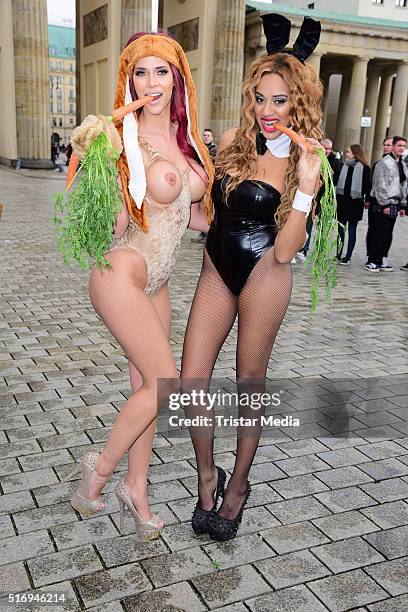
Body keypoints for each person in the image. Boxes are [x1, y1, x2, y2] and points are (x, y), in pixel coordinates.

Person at [65, 31, 213, 540]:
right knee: (164, 385)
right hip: (123, 270)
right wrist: (97, 167)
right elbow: (111, 225)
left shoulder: (187, 143)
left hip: (159, 280)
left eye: (161, 71)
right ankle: (97, 470)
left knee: (146, 389)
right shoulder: (121, 138)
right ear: (129, 80)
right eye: (140, 73)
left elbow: (193, 218)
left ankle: (137, 488)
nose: (151, 83)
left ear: (178, 79)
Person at [181, 13, 323, 541]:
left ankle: (237, 484)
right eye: (261, 98)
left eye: (280, 100)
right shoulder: (238, 141)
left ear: (299, 103)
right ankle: (206, 473)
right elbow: (209, 216)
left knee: (247, 385)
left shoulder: (308, 161)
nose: (267, 111)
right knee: (191, 379)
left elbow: (288, 249)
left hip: (267, 269)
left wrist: (306, 188)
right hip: (216, 266)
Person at [366, 136, 407, 272]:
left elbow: (404, 186)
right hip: (382, 204)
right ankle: (372, 259)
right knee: (378, 232)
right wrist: (384, 205)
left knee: (388, 233)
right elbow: (380, 184)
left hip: (395, 203)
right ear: (393, 147)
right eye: (399, 146)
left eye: (404, 146)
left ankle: (383, 257)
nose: (401, 148)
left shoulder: (403, 165)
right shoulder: (384, 163)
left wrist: (403, 205)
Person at [301, 137, 342, 260]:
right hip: (313, 196)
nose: (328, 151)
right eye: (326, 148)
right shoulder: (312, 157)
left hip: (325, 197)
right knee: (308, 223)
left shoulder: (335, 161)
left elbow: (336, 179)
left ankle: (320, 250)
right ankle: (304, 249)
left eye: (330, 148)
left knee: (323, 225)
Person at [335, 144, 370, 265]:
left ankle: (348, 256)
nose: (346, 153)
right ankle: (338, 254)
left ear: (355, 153)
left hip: (355, 204)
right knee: (340, 230)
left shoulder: (364, 168)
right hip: (342, 203)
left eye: (348, 152)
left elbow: (367, 187)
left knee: (352, 230)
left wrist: (367, 200)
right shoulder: (343, 165)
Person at [365, 136, 393, 263]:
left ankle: (383, 255)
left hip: (391, 203)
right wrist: (368, 199)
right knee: (374, 229)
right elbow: (372, 183)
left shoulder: (397, 164)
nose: (387, 147)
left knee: (387, 231)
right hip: (376, 202)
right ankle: (371, 255)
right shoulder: (378, 163)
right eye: (385, 145)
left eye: (389, 145)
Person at [191, 129, 218, 244]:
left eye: (208, 135)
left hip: (209, 181)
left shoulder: (213, 149)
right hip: (202, 181)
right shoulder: (200, 148)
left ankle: (208, 233)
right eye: (205, 135)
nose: (206, 137)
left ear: (212, 137)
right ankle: (204, 233)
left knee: (208, 207)